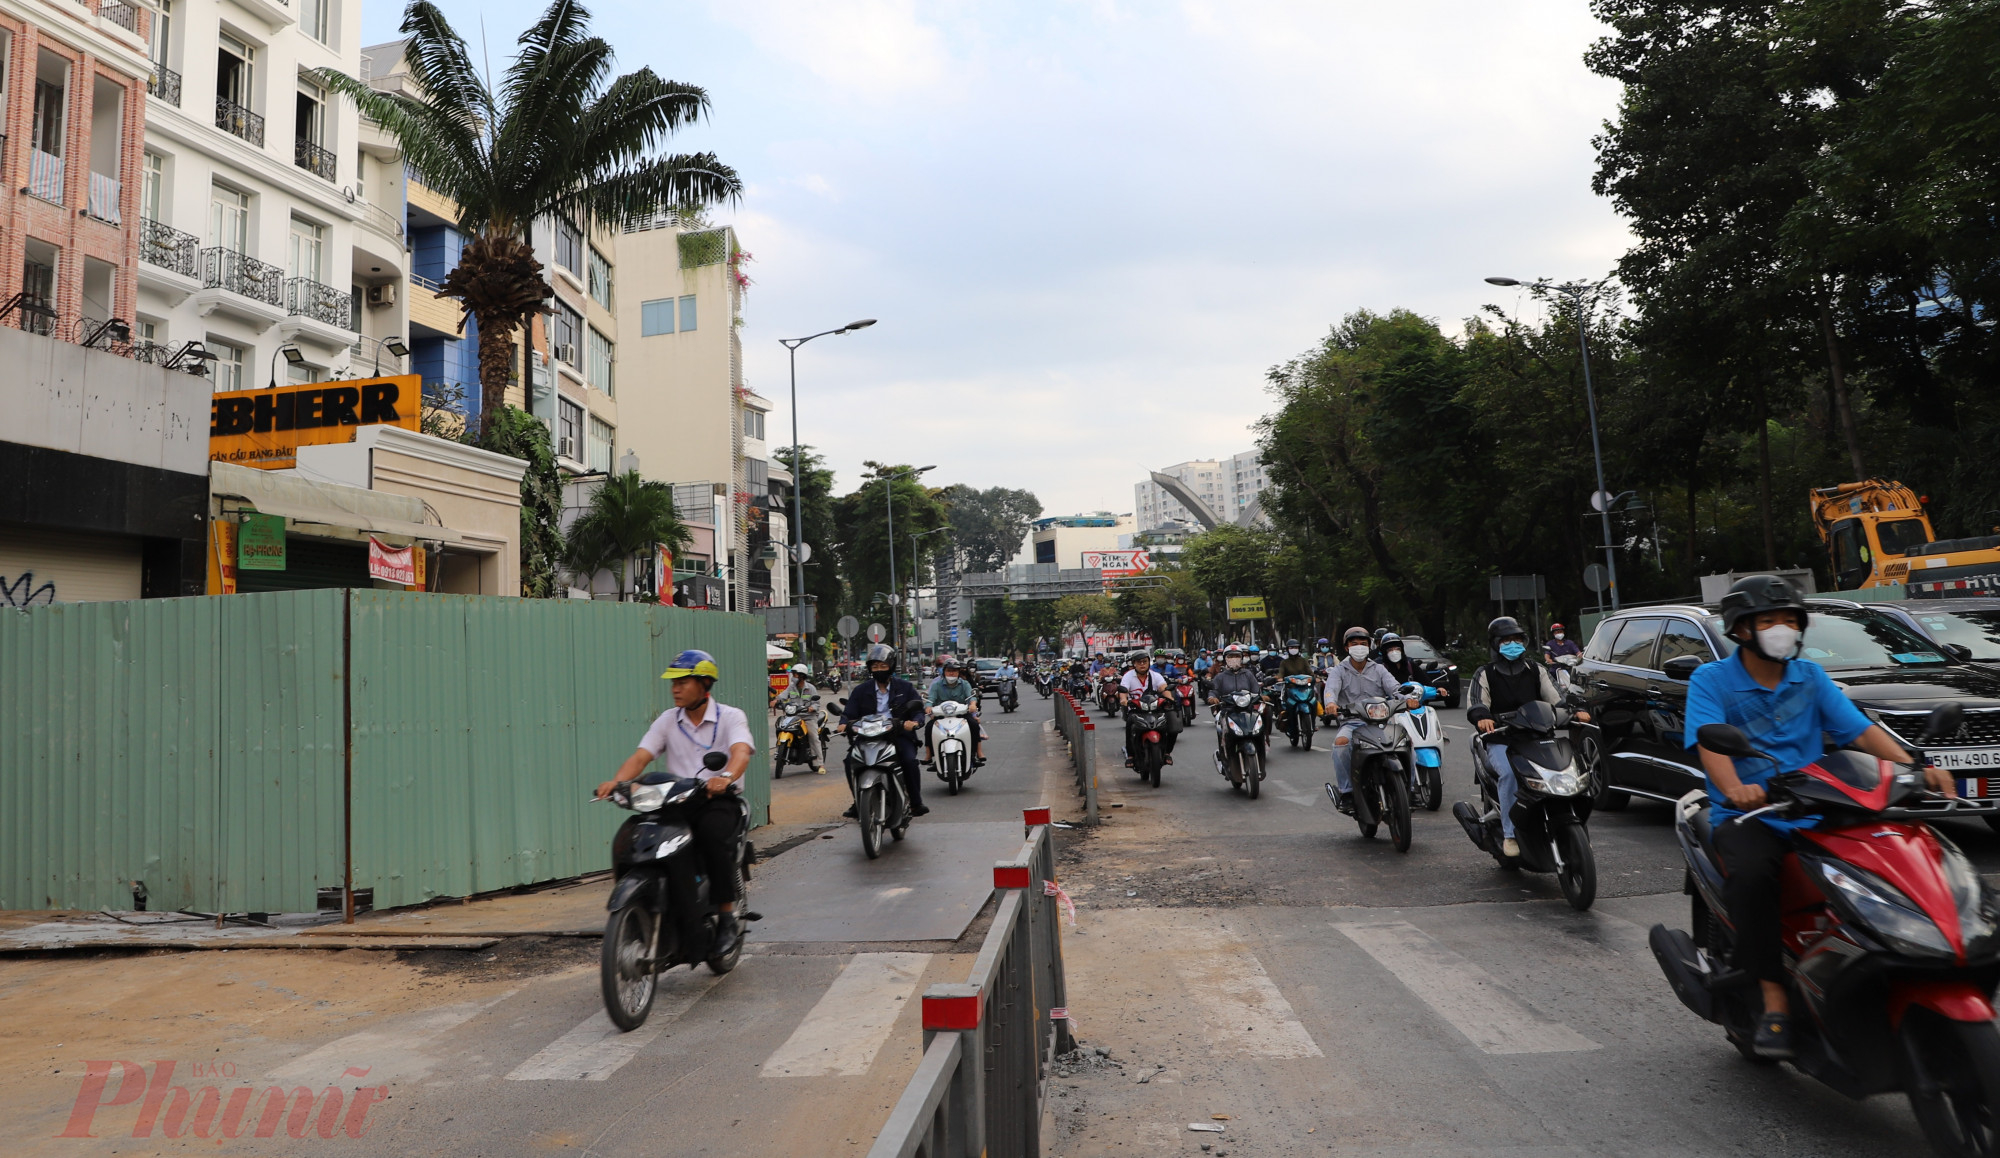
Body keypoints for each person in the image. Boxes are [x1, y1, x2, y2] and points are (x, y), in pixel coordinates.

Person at [1685, 574, 1948, 1059]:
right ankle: (1774, 997)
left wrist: (1917, 766)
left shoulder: (1810, 677)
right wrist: (1736, 790)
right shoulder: (1712, 680)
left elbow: (1861, 733)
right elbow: (1709, 742)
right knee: (1752, 876)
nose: (1782, 628)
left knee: (1898, 852)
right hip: (1753, 816)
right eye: (1769, 620)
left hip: (1820, 805)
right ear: (1742, 629)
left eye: (1789, 619)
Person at [597, 649, 756, 955]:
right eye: (673, 682)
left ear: (704, 684)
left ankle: (725, 916)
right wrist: (617, 783)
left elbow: (740, 752)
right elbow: (642, 756)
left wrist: (725, 776)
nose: (675, 688)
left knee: (712, 835)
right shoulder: (668, 720)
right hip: (675, 802)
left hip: (718, 800)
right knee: (638, 835)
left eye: (683, 681)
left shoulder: (731, 717)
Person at [1465, 617, 1593, 859]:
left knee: (1570, 769)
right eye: (1505, 640)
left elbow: (1558, 698)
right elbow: (1477, 703)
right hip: (1503, 740)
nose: (1512, 644)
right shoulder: (1485, 673)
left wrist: (1575, 710)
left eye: (1516, 639)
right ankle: (1510, 835)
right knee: (1509, 774)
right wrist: (1482, 716)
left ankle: (1570, 820)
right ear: (1495, 644)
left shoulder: (1537, 669)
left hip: (1538, 737)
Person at [836, 643, 931, 818]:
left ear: (891, 666)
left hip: (898, 735)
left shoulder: (905, 688)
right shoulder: (861, 690)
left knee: (909, 760)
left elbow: (918, 710)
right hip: (867, 735)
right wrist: (843, 724)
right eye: (875, 666)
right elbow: (849, 712)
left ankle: (916, 803)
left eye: (883, 666)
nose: (879, 669)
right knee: (850, 761)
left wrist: (914, 722)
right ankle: (858, 802)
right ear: (870, 668)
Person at [1324, 627, 1404, 813]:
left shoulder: (1379, 669)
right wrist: (1330, 703)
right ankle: (1347, 793)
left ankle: (1412, 787)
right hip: (1353, 723)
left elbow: (1395, 688)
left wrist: (1406, 698)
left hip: (1382, 721)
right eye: (1354, 644)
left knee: (1407, 740)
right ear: (1346, 647)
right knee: (1341, 743)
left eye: (1363, 644)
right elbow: (1331, 690)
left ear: (1369, 646)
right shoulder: (1339, 671)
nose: (1359, 647)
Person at [1118, 650, 1181, 763]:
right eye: (1139, 662)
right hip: (1136, 709)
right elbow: (1123, 691)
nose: (1142, 664)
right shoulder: (1128, 676)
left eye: (1144, 661)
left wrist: (1170, 699)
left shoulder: (1155, 676)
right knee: (1129, 725)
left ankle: (1167, 753)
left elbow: (1163, 688)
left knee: (1172, 724)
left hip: (1155, 708)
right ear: (1134, 664)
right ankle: (1131, 756)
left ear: (1148, 663)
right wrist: (1124, 700)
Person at [924, 655, 987, 767]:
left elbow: (971, 697)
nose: (951, 674)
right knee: (929, 727)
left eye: (954, 671)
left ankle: (976, 753)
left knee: (973, 725)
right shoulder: (936, 685)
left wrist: (972, 704)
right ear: (944, 672)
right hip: (941, 715)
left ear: (958, 672)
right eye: (949, 671)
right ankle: (930, 755)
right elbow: (930, 699)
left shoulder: (965, 684)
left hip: (961, 715)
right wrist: (928, 707)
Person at [778, 662, 829, 774]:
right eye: (793, 674)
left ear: (802, 676)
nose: (793, 677)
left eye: (795, 675)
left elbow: (816, 703)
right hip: (794, 716)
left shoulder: (811, 688)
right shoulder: (791, 687)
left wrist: (811, 708)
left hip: (808, 717)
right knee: (781, 726)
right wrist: (775, 701)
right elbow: (782, 696)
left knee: (813, 737)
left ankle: (820, 764)